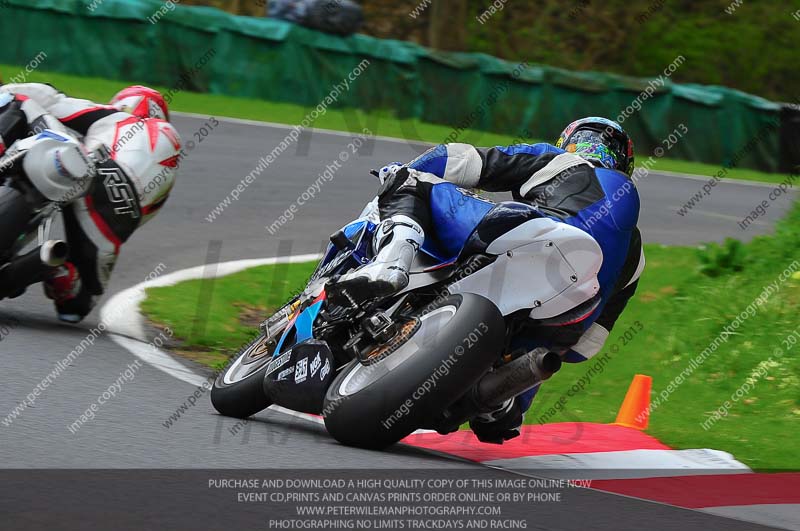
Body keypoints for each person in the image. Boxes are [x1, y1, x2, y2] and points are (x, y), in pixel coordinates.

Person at [330, 117, 644, 444]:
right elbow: (586, 347)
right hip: (563, 313)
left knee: (411, 180)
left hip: (530, 237)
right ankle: (500, 400)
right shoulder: (636, 257)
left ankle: (391, 262)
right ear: (625, 162)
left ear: (569, 141)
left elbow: (463, 160)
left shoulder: (561, 160)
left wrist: (404, 167)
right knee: (544, 351)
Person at [0, 83, 181, 323]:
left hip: (95, 170)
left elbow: (53, 103)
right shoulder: (170, 168)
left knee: (20, 102)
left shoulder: (121, 118)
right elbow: (135, 217)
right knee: (77, 305)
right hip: (117, 219)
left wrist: (12, 88)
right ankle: (58, 270)